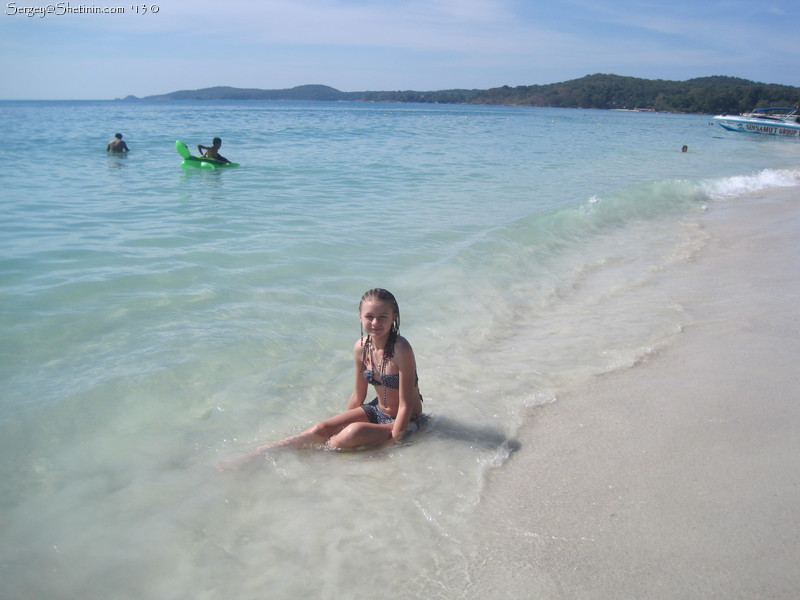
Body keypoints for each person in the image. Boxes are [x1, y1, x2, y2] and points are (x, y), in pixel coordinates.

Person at [230, 289, 424, 464]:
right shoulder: (361, 348)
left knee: (351, 434)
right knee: (320, 429)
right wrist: (342, 423)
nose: (375, 323)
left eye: (383, 316)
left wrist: (389, 445)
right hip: (376, 409)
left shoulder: (401, 349)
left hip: (405, 419)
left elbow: (406, 405)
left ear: (394, 317)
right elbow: (358, 395)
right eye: (369, 316)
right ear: (360, 317)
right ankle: (260, 455)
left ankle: (316, 460)